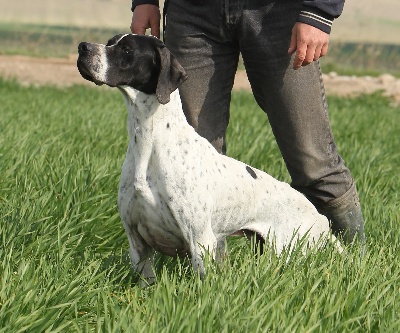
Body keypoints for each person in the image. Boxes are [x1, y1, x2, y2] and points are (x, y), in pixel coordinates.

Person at [130, 0, 365, 246]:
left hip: (279, 13)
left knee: (314, 162)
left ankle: (353, 268)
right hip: (193, 14)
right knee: (187, 169)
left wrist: (318, 11)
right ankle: (206, 279)